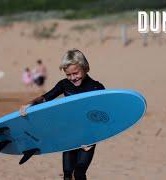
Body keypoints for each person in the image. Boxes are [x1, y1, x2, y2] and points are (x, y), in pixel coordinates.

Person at [19, 49, 105, 180]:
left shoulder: (96, 88)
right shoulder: (64, 84)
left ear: (85, 68)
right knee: (67, 174)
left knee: (79, 173)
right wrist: (30, 104)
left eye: (75, 73)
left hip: (88, 136)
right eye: (68, 75)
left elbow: (102, 116)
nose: (72, 78)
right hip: (69, 134)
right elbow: (45, 98)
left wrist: (93, 140)